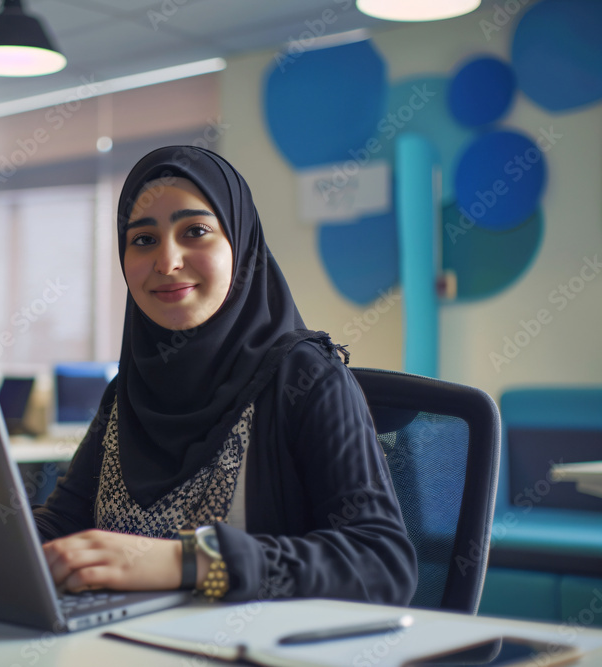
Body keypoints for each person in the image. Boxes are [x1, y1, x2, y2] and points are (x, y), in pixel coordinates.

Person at [33, 145, 417, 604]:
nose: (167, 261)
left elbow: (381, 562)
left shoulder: (306, 378)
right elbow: (60, 524)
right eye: (143, 239)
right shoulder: (127, 393)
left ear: (241, 243)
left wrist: (188, 562)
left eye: (195, 231)